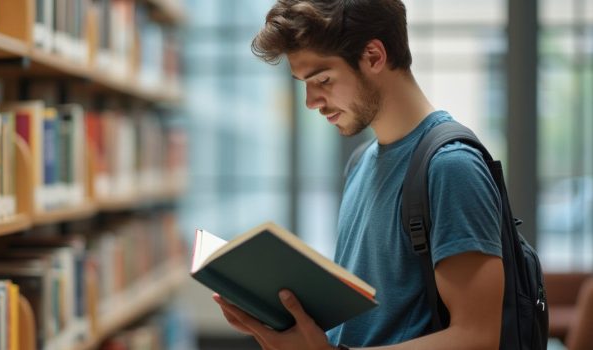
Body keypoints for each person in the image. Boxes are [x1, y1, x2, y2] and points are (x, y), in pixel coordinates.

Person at [211, 1, 506, 349]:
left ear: (373, 56)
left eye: (322, 79)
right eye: (303, 83)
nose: (310, 101)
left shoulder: (451, 166)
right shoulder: (361, 162)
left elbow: (477, 338)